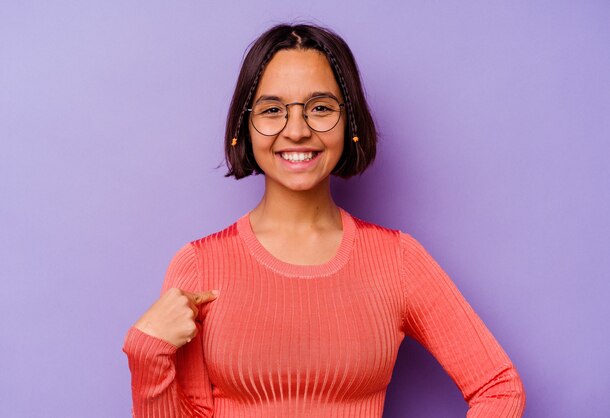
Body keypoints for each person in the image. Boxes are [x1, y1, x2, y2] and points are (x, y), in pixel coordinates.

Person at [122, 23, 526, 417]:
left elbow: (500, 388)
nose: (296, 130)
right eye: (272, 110)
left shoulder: (397, 261)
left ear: (349, 121)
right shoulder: (199, 266)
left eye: (319, 108)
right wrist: (147, 354)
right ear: (245, 126)